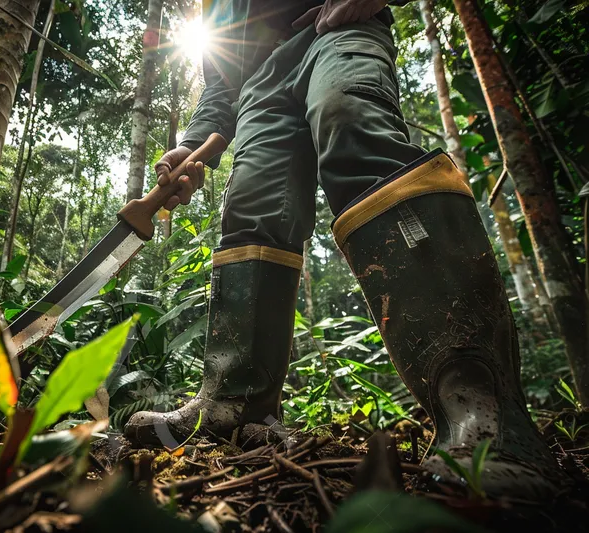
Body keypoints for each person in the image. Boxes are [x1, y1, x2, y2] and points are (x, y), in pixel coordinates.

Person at [124, 0, 561, 499]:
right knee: (252, 202)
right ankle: (234, 401)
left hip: (339, 27)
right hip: (259, 86)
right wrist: (195, 141)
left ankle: (481, 406)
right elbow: (222, 84)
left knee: (350, 121)